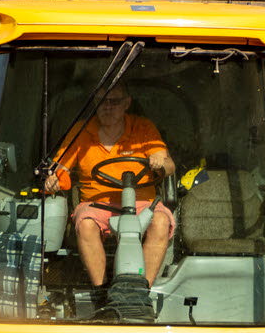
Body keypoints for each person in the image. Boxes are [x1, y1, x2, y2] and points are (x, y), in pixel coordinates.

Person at [53, 84, 176, 287]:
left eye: (114, 101)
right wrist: (54, 179)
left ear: (127, 103)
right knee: (85, 224)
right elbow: (60, 168)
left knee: (161, 221)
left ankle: (141, 290)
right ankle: (101, 290)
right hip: (96, 204)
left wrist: (160, 163)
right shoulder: (81, 130)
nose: (107, 107)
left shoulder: (143, 127)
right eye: (102, 101)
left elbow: (169, 166)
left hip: (141, 203)